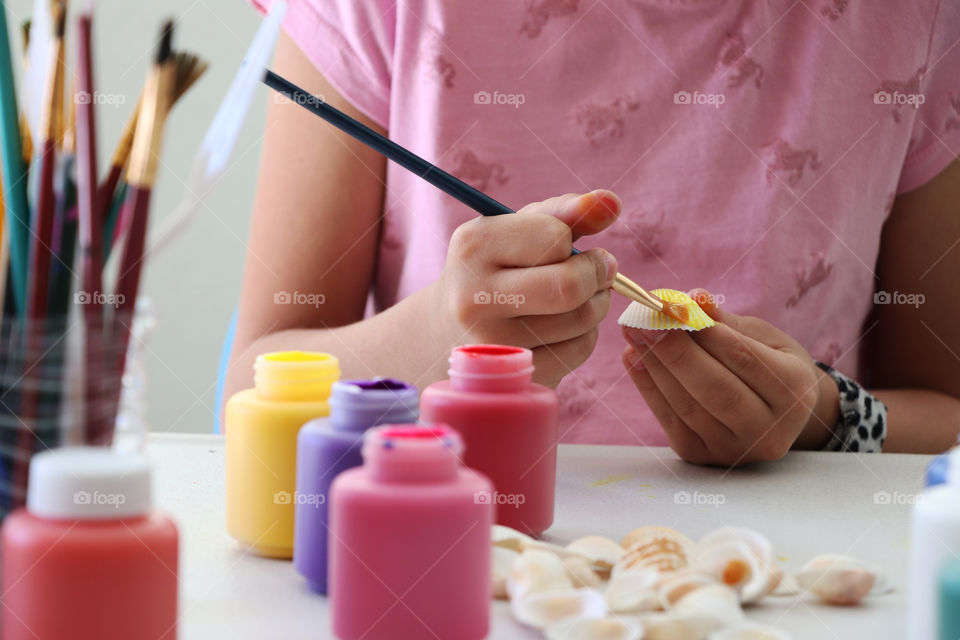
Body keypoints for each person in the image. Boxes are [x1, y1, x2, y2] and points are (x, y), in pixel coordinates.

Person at [226, 0, 960, 464]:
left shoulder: (915, 24)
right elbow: (249, 393)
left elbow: (946, 418)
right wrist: (435, 341)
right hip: (446, 563)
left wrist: (824, 420)